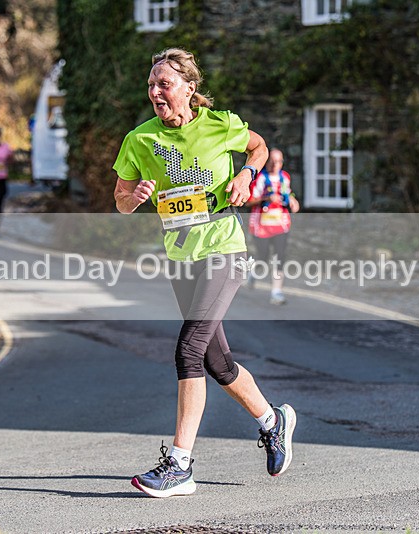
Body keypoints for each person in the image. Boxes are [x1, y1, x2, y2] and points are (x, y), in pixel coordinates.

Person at [113, 48, 297, 498]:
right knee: (217, 362)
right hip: (182, 258)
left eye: (165, 83)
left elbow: (258, 146)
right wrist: (134, 196)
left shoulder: (220, 124)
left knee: (188, 350)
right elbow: (119, 199)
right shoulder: (140, 139)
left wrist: (247, 176)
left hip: (223, 250)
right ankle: (273, 421)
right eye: (151, 84)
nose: (155, 91)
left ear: (190, 89)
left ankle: (179, 465)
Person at [246, 148, 300, 305]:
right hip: (262, 224)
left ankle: (276, 292)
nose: (276, 165)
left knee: (279, 256)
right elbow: (249, 201)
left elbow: (288, 193)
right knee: (262, 257)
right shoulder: (260, 178)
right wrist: (267, 197)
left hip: (280, 223)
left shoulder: (285, 178)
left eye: (279, 161)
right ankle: (253, 272)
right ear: (267, 162)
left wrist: (293, 201)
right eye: (272, 161)